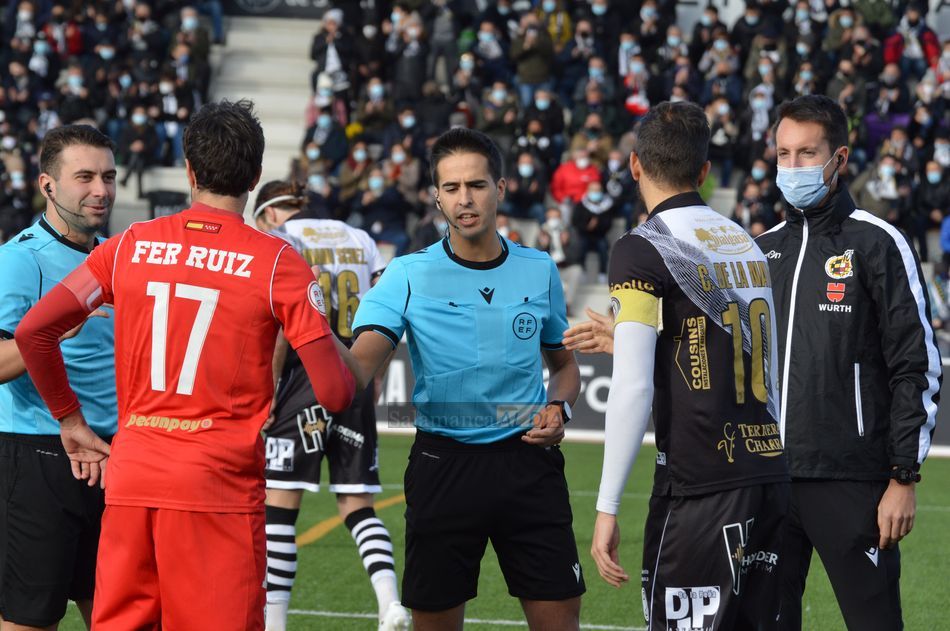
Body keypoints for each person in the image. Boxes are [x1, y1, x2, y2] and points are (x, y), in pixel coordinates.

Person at [14, 100, 358, 630]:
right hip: (217, 489)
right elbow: (337, 393)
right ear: (256, 175)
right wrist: (315, 321)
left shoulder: (125, 246)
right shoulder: (276, 263)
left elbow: (36, 332)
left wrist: (71, 419)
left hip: (131, 482)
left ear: (190, 171)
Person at [349, 127, 585, 630]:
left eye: (476, 185)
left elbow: (564, 368)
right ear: (435, 196)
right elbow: (360, 365)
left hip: (530, 464)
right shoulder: (407, 273)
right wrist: (313, 337)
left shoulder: (538, 268)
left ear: (501, 188)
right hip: (443, 466)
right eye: (451, 188)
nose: (465, 199)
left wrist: (558, 408)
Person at [588, 101, 791, 630]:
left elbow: (630, 389)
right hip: (769, 473)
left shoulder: (642, 248)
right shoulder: (743, 241)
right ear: (703, 171)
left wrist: (607, 506)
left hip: (701, 482)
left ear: (635, 165)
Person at [756, 94, 941, 631]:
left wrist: (903, 477)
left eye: (807, 154)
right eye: (783, 154)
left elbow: (916, 366)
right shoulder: (762, 250)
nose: (792, 167)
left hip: (853, 482)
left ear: (838, 156)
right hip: (769, 482)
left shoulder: (878, 243)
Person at [251, 181, 411, 631]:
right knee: (358, 504)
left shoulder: (283, 239)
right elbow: (388, 306)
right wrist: (375, 373)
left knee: (279, 506)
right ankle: (390, 603)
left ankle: (275, 623)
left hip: (305, 372)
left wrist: (270, 386)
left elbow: (285, 325)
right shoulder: (358, 236)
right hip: (354, 371)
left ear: (268, 214)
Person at [0, 125, 117, 630]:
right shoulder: (20, 260)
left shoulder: (117, 256)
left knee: (121, 616)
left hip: (113, 458)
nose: (102, 190)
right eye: (86, 177)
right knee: (30, 620)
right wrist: (52, 331)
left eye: (109, 177)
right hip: (39, 455)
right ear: (48, 185)